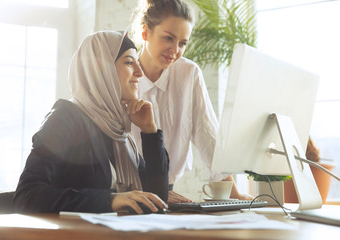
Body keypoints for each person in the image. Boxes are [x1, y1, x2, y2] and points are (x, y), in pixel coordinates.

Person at [13, 31, 169, 214]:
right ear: (102, 70)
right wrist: (109, 200)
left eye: (137, 63)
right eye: (128, 62)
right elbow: (27, 196)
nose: (140, 72)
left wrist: (149, 132)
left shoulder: (119, 130)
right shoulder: (65, 118)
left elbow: (157, 200)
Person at [130, 0, 253, 202]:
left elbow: (208, 135)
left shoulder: (188, 73)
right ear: (145, 33)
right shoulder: (124, 74)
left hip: (167, 192)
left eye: (182, 43)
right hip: (127, 194)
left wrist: (234, 194)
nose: (175, 50)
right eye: (168, 38)